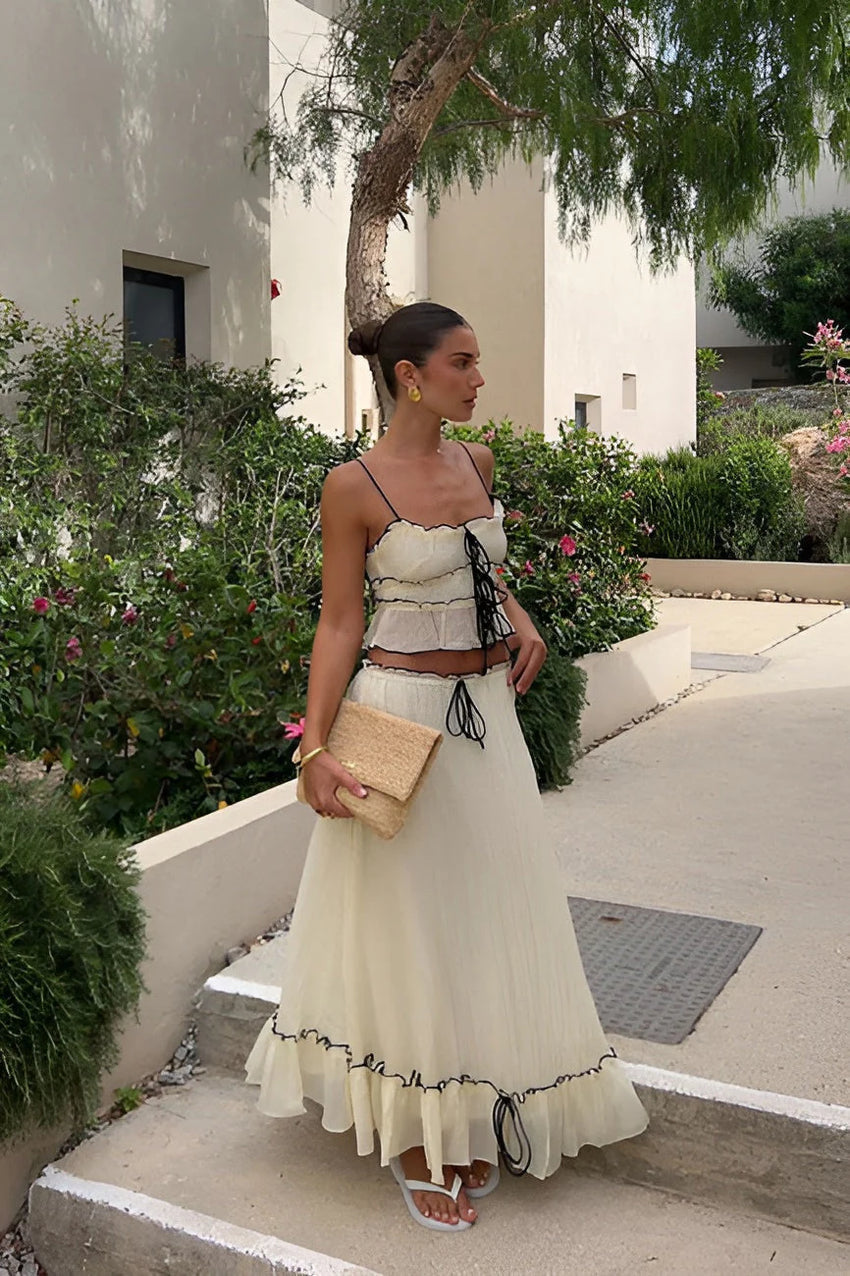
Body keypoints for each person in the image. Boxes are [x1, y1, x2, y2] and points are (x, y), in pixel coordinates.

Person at [245, 301, 648, 1232]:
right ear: (411, 377)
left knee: (486, 907)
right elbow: (339, 621)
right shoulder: (352, 486)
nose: (478, 378)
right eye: (462, 362)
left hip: (485, 720)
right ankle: (419, 1132)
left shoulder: (478, 463)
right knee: (411, 921)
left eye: (477, 360)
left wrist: (521, 616)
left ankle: (473, 1097)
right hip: (398, 714)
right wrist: (315, 746)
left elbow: (479, 568)